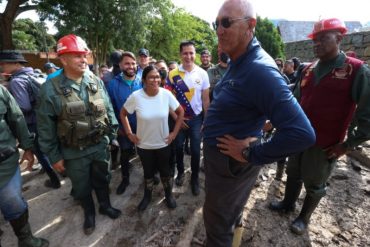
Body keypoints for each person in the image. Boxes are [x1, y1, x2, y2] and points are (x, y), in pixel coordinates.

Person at [202, 1, 316, 246]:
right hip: (223, 162)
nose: (219, 30)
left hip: (231, 163)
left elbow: (302, 134)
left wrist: (251, 152)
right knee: (227, 217)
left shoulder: (259, 70)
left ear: (250, 25)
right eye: (216, 23)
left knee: (216, 225)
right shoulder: (239, 60)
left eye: (226, 22)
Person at [269, 18, 370, 235]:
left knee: (315, 183)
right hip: (297, 138)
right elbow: (294, 101)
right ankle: (288, 204)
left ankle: (303, 218)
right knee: (293, 172)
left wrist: (347, 145)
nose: (317, 44)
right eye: (315, 40)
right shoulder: (309, 69)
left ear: (339, 38)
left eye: (323, 38)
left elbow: (367, 115)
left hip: (325, 144)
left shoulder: (356, 70)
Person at [36, 34, 121, 235]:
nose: (83, 60)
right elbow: (45, 127)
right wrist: (54, 157)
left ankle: (105, 205)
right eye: (76, 56)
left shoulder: (95, 80)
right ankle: (89, 213)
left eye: (84, 55)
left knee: (103, 178)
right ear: (63, 59)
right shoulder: (50, 88)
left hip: (100, 145)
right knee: (81, 186)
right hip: (74, 151)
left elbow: (108, 109)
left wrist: (111, 135)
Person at [120, 65, 184, 211]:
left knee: (165, 172)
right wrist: (129, 133)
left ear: (161, 79)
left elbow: (180, 112)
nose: (155, 80)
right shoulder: (136, 96)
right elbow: (123, 113)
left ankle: (168, 195)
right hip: (144, 145)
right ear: (143, 79)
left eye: (157, 77)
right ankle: (147, 196)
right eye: (150, 77)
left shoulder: (166, 94)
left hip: (163, 143)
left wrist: (174, 133)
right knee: (148, 173)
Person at [0, 50, 61, 189]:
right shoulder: (36, 73)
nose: (2, 66)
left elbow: (24, 107)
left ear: (15, 63)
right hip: (47, 118)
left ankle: (54, 180)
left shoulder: (17, 81)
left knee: (40, 152)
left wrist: (10, 107)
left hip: (33, 123)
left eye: (4, 63)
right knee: (51, 146)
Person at [0, 84, 49, 247]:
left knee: (13, 202)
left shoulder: (1, 91)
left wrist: (28, 148)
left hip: (4, 167)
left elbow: (17, 118)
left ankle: (26, 240)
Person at [166, 40, 210, 196]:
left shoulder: (203, 74)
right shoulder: (172, 74)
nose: (188, 56)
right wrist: (177, 118)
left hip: (197, 119)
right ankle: (181, 172)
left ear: (195, 54)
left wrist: (206, 120)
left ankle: (195, 179)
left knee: (196, 151)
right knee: (178, 148)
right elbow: (168, 101)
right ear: (180, 54)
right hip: (179, 118)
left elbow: (205, 100)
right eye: (185, 53)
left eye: (191, 53)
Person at [106, 51, 142, 195]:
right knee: (125, 153)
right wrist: (117, 127)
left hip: (142, 126)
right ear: (120, 65)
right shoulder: (112, 85)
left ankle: (149, 176)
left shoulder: (142, 81)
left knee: (145, 153)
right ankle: (125, 179)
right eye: (127, 63)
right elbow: (110, 108)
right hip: (123, 128)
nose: (131, 66)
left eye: (133, 63)